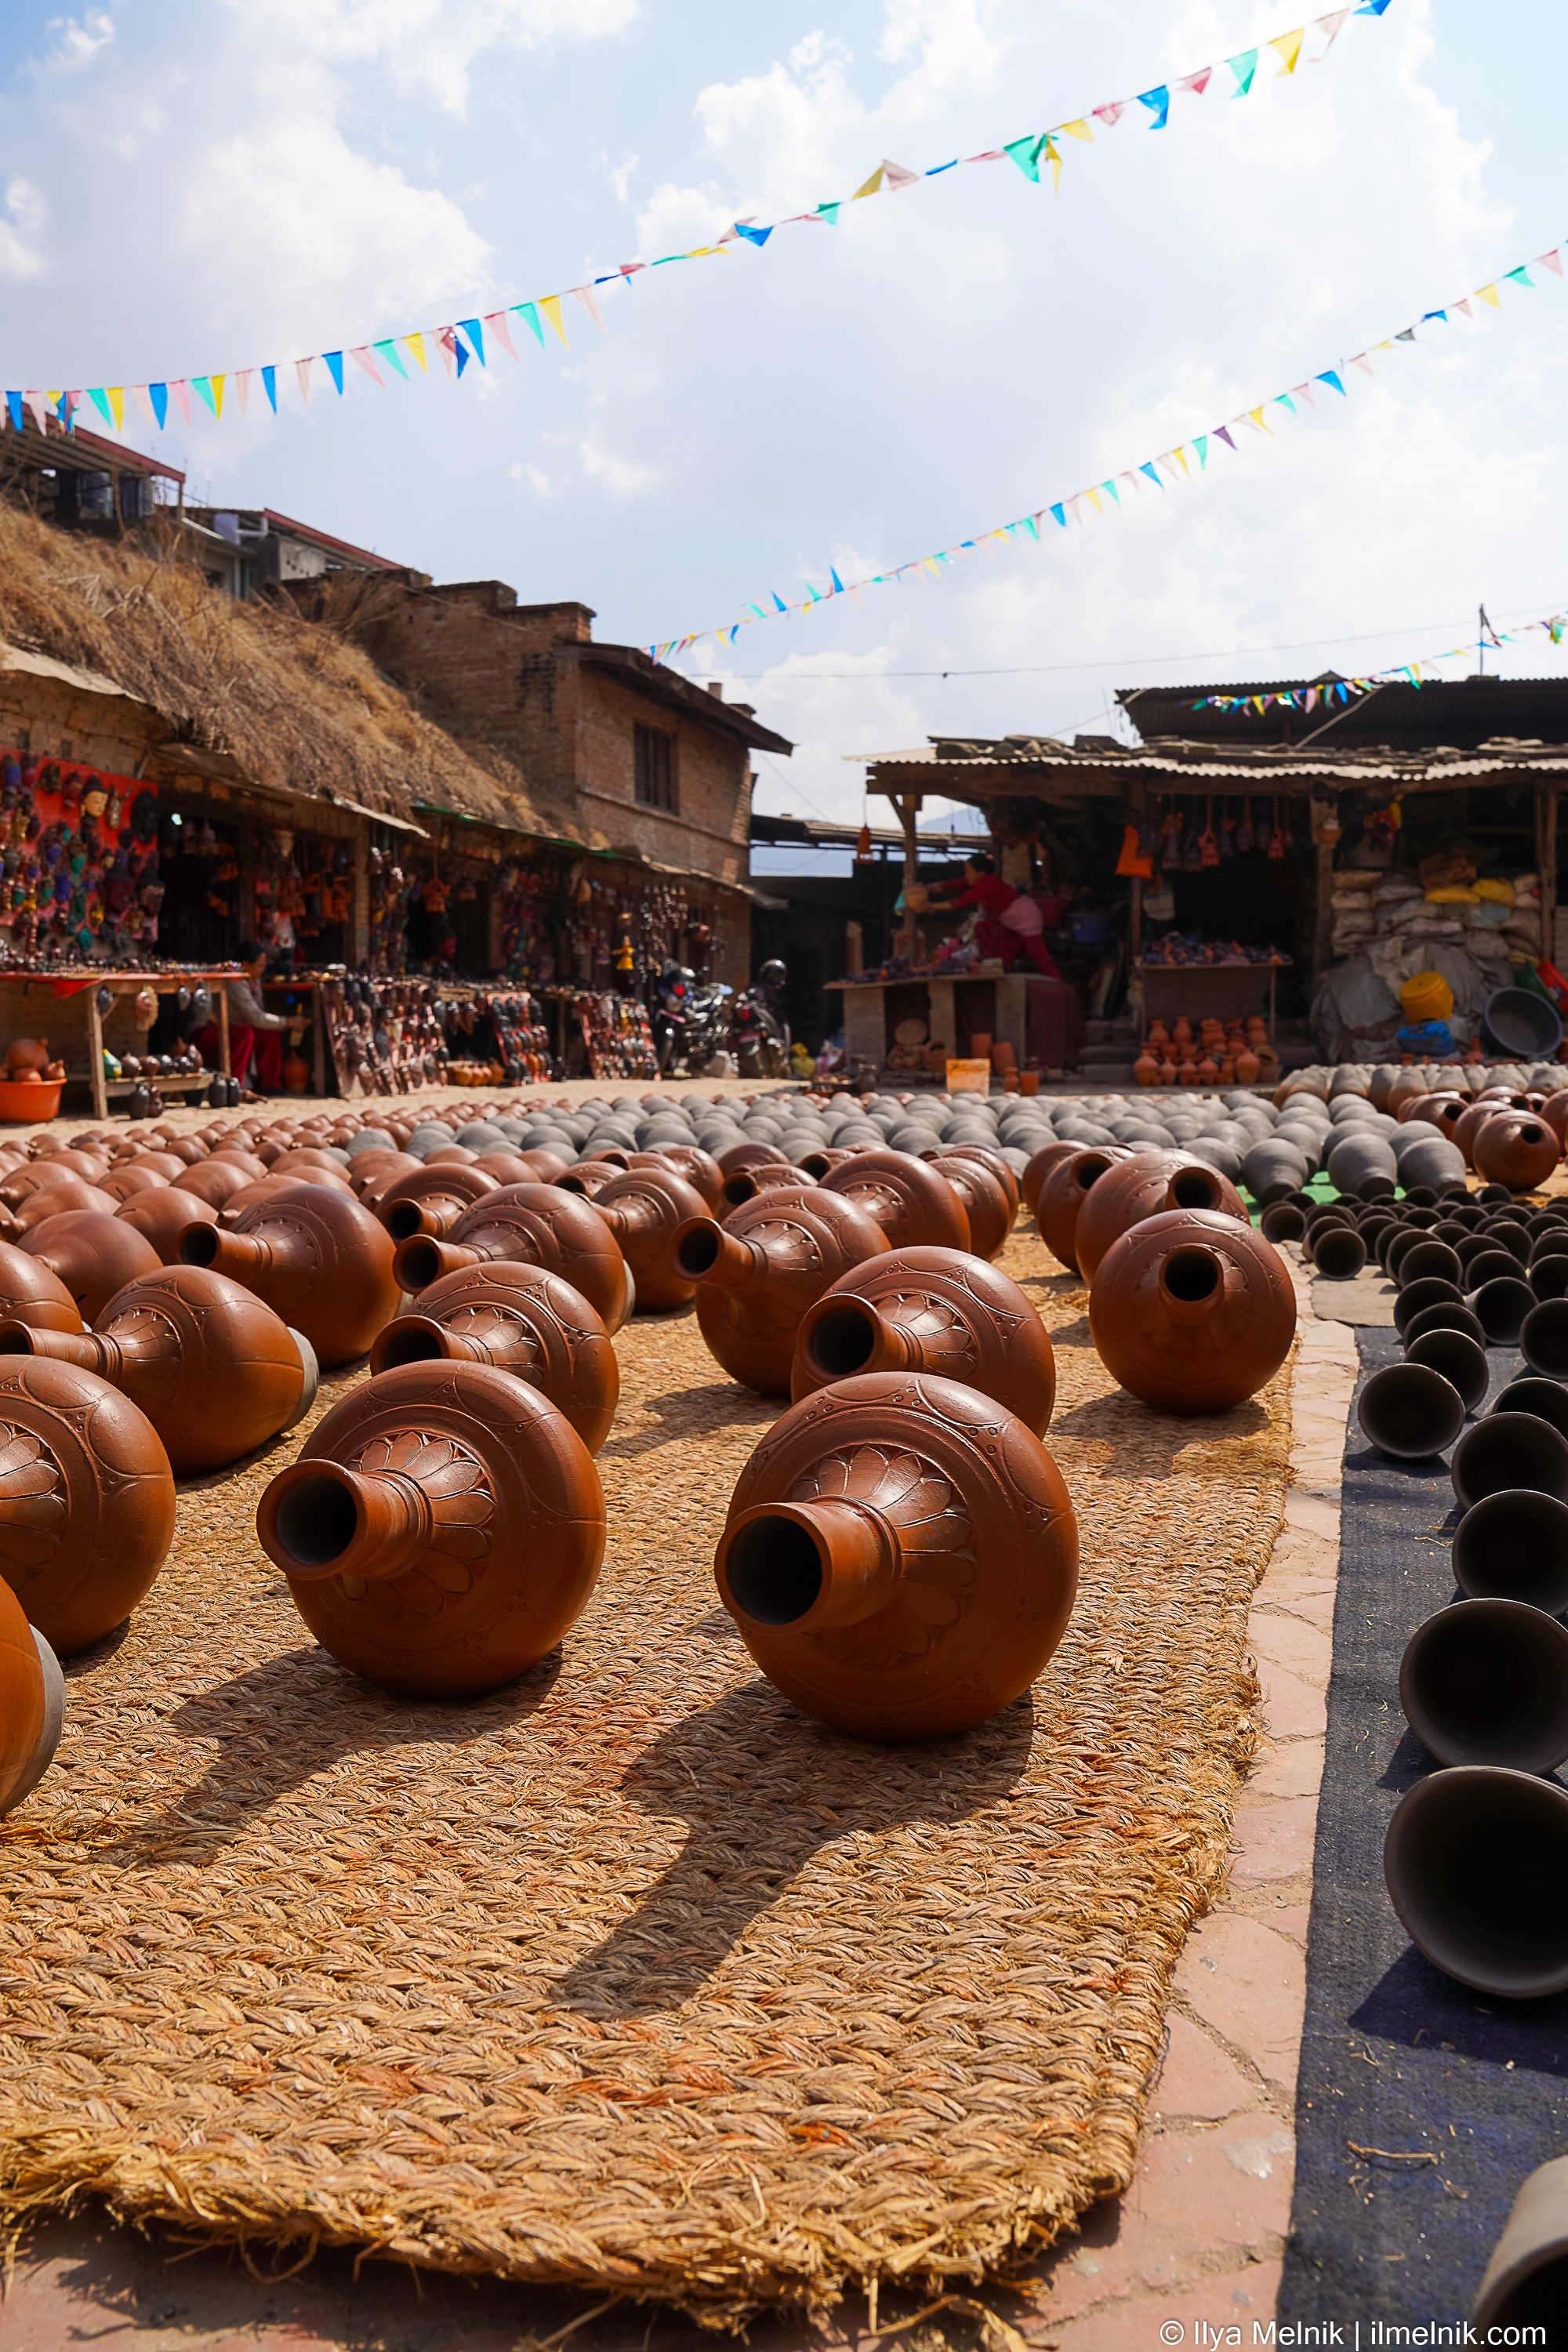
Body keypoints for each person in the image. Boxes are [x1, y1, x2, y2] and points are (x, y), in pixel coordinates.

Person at [927, 853, 1061, 978]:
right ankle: (992, 964)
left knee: (1039, 956)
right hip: (1008, 921)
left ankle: (1057, 983)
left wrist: (931, 906)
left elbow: (960, 902)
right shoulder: (979, 880)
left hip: (1026, 918)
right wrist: (928, 888)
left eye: (968, 872)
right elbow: (953, 884)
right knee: (983, 927)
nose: (966, 876)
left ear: (980, 873)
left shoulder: (987, 883)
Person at [195, 938, 289, 1094]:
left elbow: (258, 1012)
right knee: (245, 1033)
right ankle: (235, 1085)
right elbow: (255, 1016)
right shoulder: (234, 981)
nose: (262, 969)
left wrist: (281, 1023)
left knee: (269, 1031)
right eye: (260, 965)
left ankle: (269, 1083)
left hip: (240, 1026)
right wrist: (287, 1022)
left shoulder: (253, 979)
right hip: (212, 1032)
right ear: (245, 964)